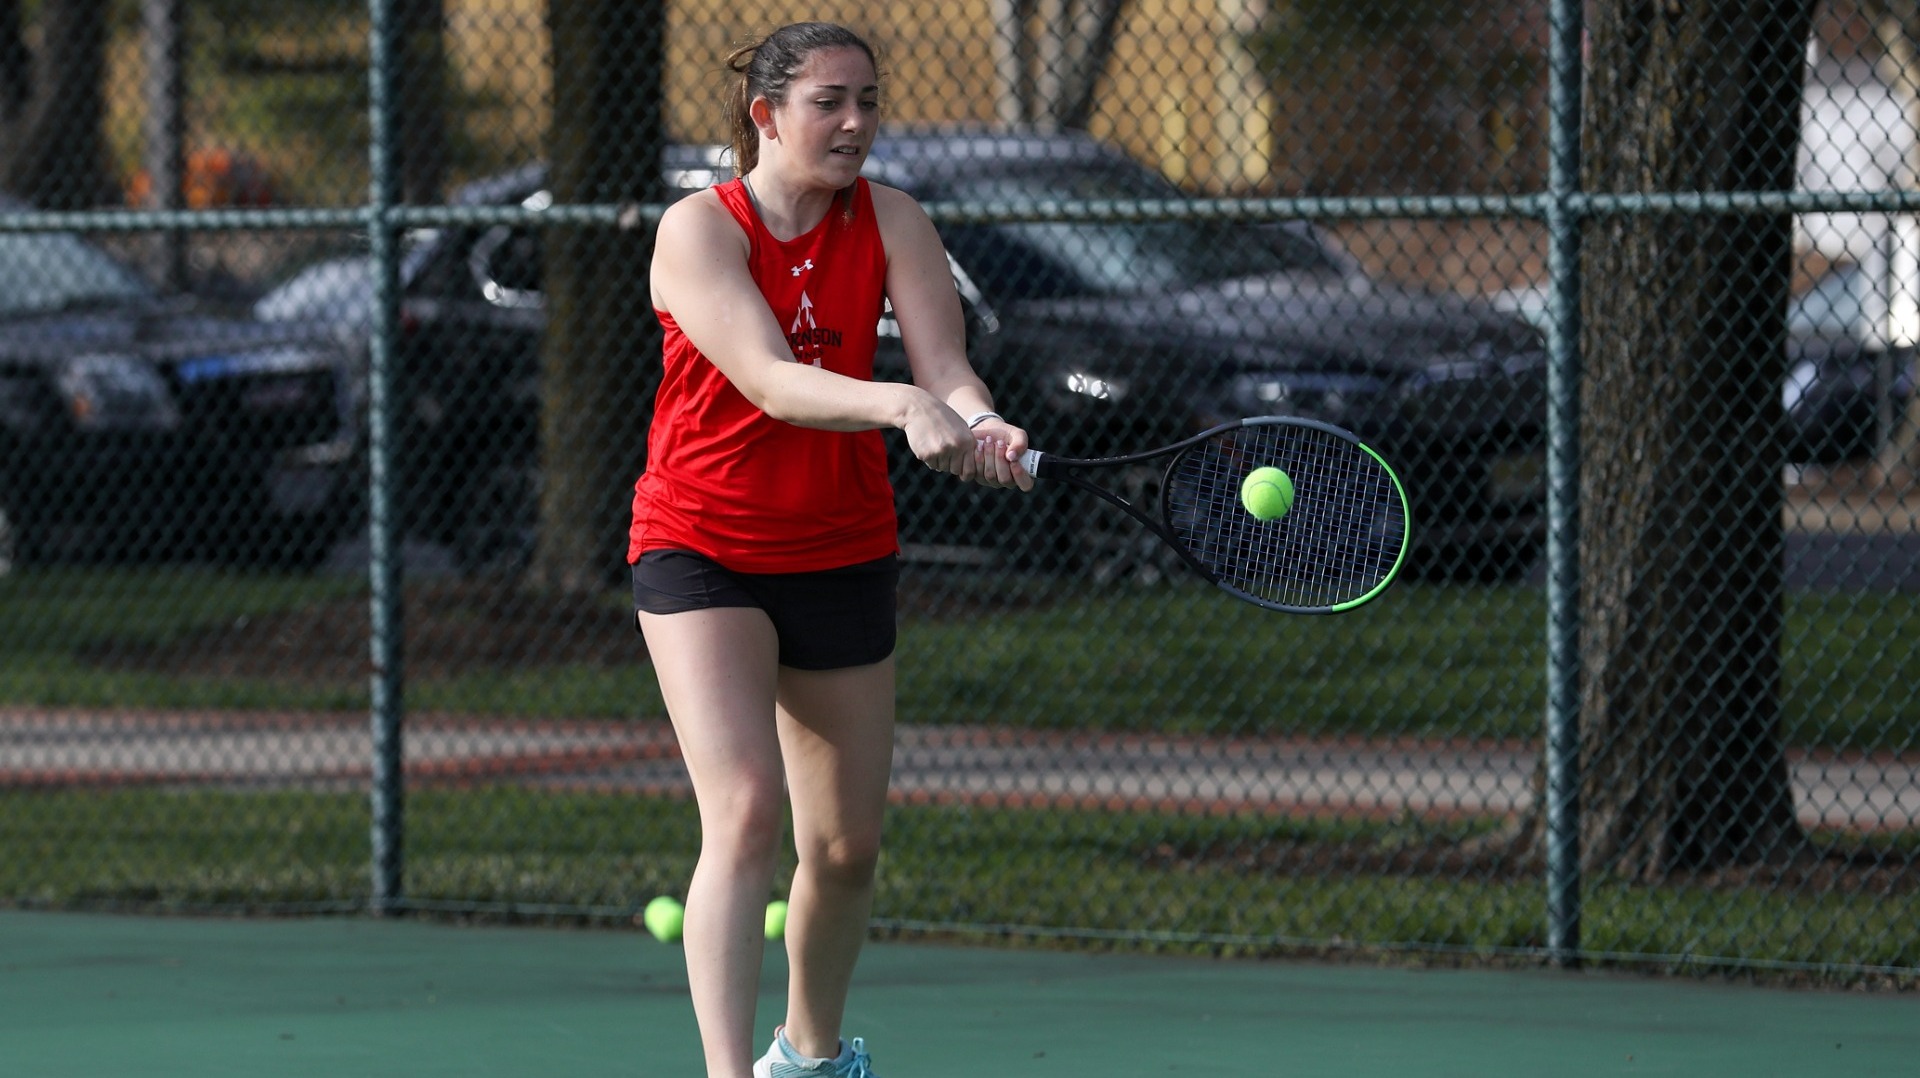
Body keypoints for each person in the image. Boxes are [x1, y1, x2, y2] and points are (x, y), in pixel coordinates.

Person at [627, 21, 1032, 1078]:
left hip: (842, 546)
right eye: (828, 102)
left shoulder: (896, 221)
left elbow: (946, 367)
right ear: (766, 115)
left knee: (845, 850)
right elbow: (768, 378)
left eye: (867, 100)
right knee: (746, 807)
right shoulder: (697, 232)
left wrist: (979, 423)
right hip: (701, 540)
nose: (856, 123)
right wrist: (899, 404)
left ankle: (806, 1057)